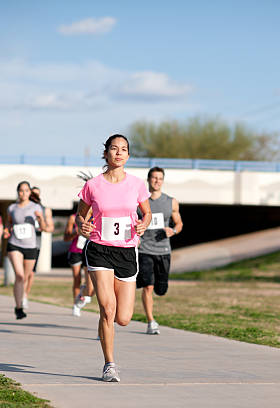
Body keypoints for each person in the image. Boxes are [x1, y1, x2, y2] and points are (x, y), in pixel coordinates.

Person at [77, 134, 152, 382]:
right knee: (107, 309)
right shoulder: (93, 185)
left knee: (123, 318)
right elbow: (80, 216)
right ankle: (109, 364)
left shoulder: (137, 184)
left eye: (123, 149)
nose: (118, 153)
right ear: (106, 153)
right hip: (99, 248)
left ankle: (107, 328)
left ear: (128, 155)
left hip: (127, 252)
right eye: (114, 148)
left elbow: (147, 213)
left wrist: (143, 224)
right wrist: (82, 227)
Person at [137, 167, 183, 335]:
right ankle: (151, 321)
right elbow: (132, 220)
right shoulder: (140, 201)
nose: (157, 181)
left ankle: (159, 289)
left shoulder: (171, 201)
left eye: (160, 178)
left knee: (160, 290)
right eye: (154, 178)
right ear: (148, 180)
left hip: (163, 250)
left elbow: (179, 223)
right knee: (147, 286)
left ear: (163, 181)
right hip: (145, 249)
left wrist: (174, 231)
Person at [4, 181, 45, 319]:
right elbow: (9, 222)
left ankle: (23, 298)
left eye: (26, 190)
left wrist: (40, 218)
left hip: (30, 246)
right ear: (18, 192)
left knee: (26, 277)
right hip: (14, 244)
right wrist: (6, 230)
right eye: (21, 190)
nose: (23, 193)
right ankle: (19, 307)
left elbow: (43, 227)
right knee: (20, 276)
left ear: (30, 192)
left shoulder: (36, 207)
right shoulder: (12, 208)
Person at [23, 186, 54, 309]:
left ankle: (25, 295)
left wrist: (42, 222)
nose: (34, 197)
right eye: (32, 195)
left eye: (37, 195)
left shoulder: (44, 210)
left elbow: (50, 228)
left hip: (35, 243)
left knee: (30, 273)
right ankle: (20, 293)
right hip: (20, 242)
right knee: (21, 273)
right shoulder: (22, 207)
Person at [64, 206, 94, 317]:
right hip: (76, 250)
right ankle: (75, 305)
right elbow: (65, 238)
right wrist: (75, 232)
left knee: (91, 285)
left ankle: (83, 292)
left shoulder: (97, 216)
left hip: (90, 251)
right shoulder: (74, 218)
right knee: (77, 279)